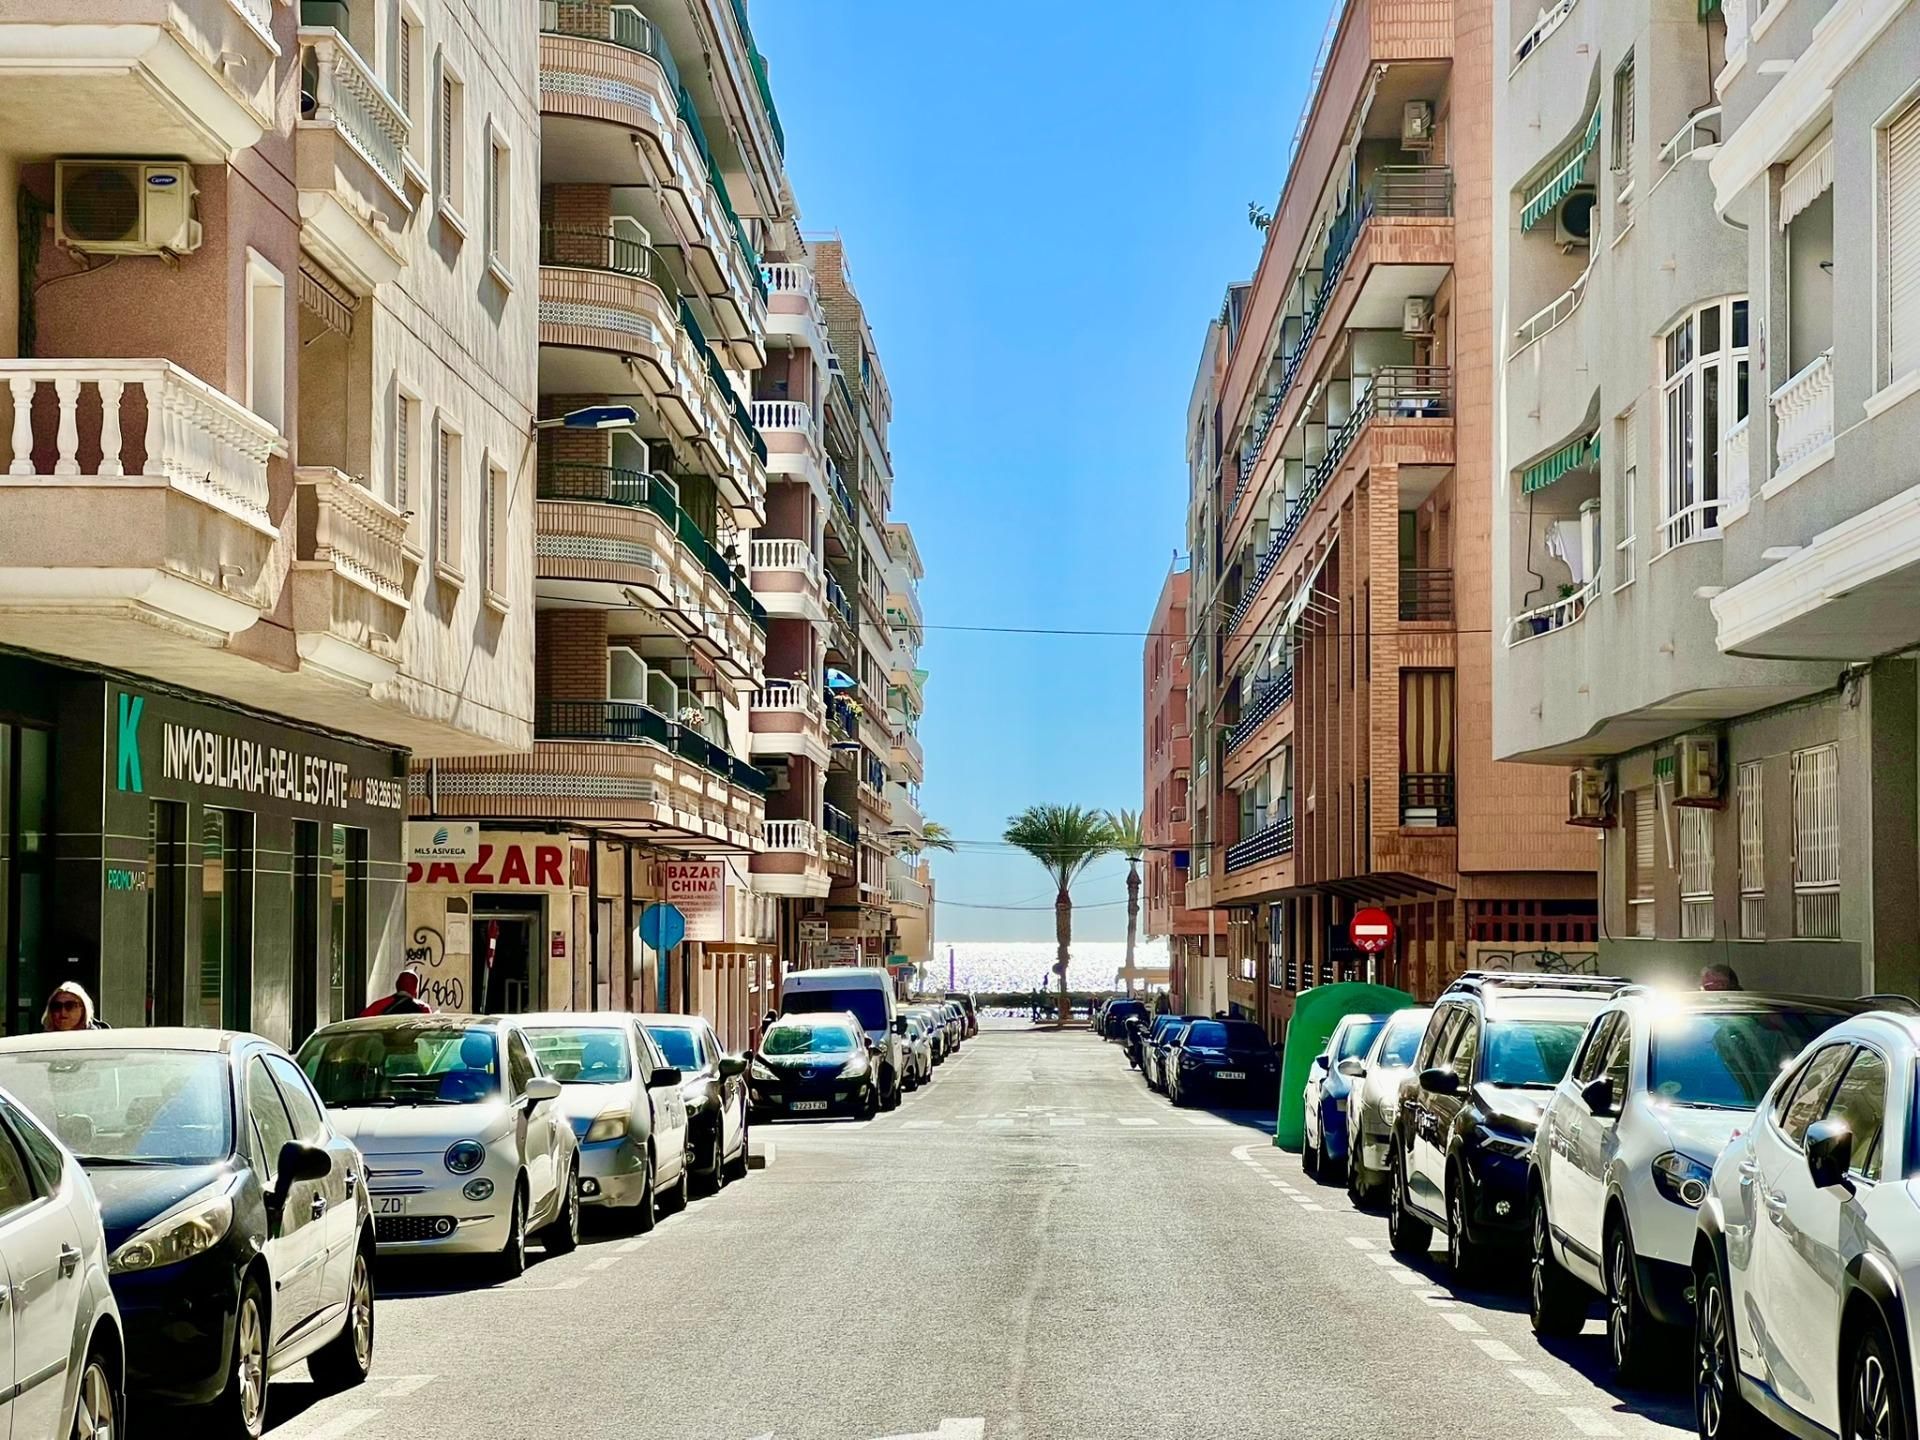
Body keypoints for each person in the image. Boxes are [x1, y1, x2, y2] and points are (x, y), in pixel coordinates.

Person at [359, 969, 433, 1017]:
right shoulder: (423, 1008)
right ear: (415, 988)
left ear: (397, 984)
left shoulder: (379, 1005)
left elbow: (361, 1021)